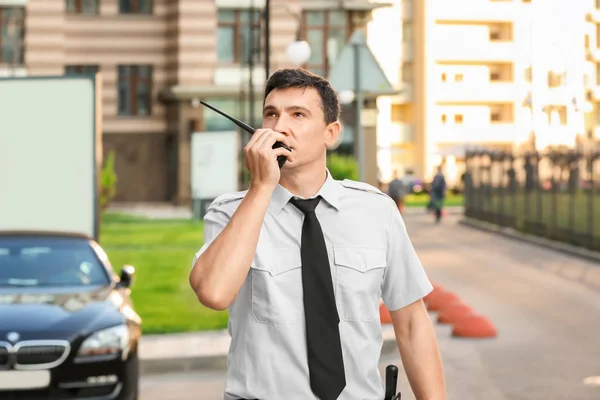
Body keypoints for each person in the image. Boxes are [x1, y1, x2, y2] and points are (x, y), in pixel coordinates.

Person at [189, 68, 446, 400]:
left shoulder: (376, 211)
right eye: (271, 114)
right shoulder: (231, 213)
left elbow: (411, 323)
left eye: (298, 114)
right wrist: (261, 188)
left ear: (331, 133)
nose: (280, 126)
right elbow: (213, 292)